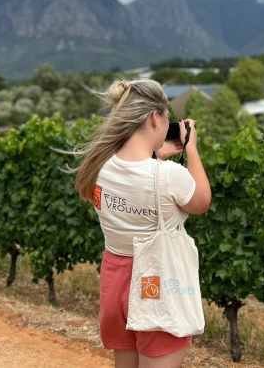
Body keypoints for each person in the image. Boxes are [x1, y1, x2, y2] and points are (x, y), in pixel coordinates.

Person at [73, 79, 211, 368]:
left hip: (115, 282)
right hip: (155, 285)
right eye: (167, 116)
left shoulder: (99, 165)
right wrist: (192, 149)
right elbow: (201, 202)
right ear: (153, 118)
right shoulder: (169, 176)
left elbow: (133, 176)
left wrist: (156, 154)